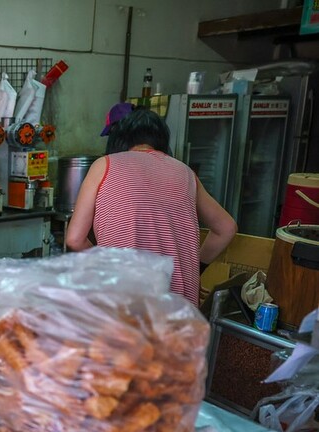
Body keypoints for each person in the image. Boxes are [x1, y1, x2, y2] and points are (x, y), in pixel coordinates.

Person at [66, 107, 237, 305]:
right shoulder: (185, 173)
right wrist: (194, 269)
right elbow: (226, 228)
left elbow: (75, 239)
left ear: (118, 140)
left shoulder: (104, 165)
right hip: (180, 307)